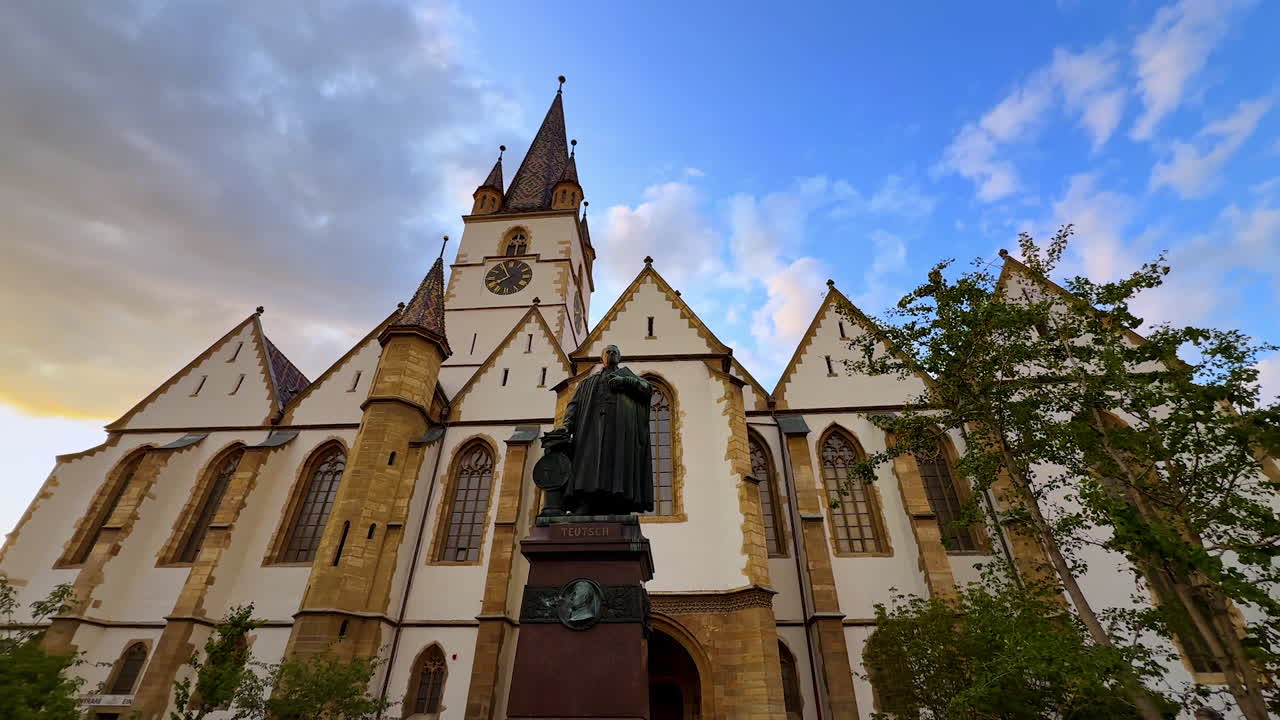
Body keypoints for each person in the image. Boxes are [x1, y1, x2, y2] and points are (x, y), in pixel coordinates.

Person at [559, 344, 654, 515]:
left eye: (615, 352)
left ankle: (618, 503)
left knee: (617, 465)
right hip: (591, 431)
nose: (612, 354)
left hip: (620, 432)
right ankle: (587, 502)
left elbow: (647, 389)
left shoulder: (627, 376)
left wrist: (626, 382)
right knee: (588, 466)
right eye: (608, 352)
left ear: (619, 357)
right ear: (601, 358)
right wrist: (567, 426)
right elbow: (573, 406)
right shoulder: (587, 382)